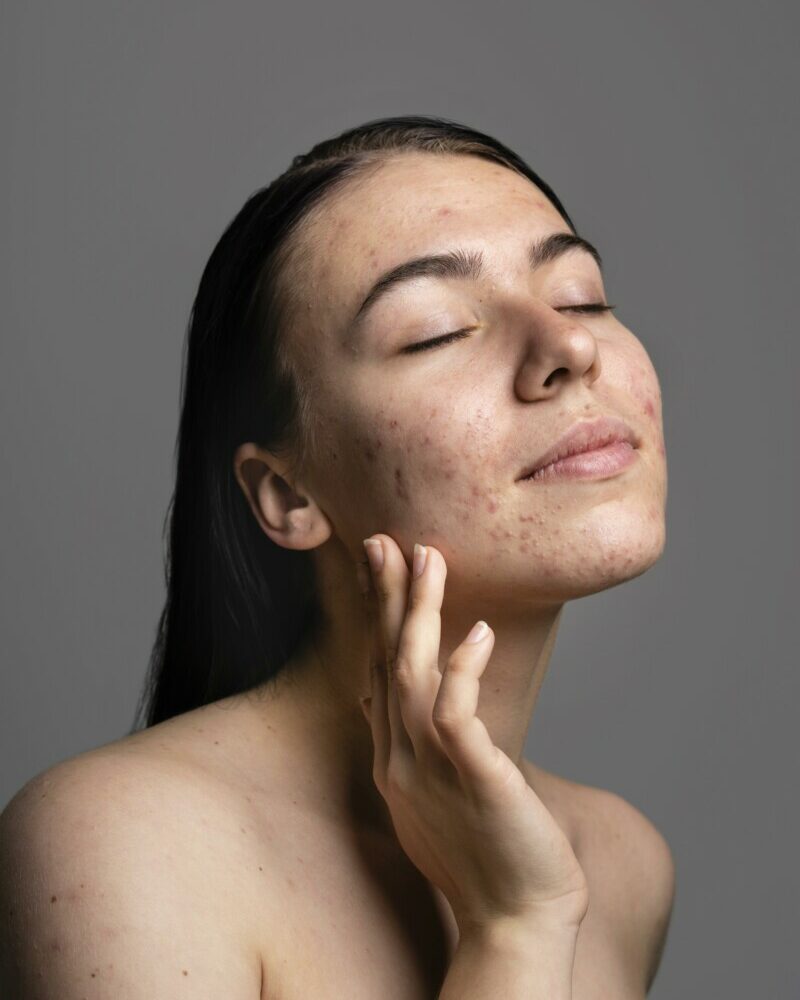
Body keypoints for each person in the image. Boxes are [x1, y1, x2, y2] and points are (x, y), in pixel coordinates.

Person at [0, 115, 675, 998]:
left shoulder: (623, 865)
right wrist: (517, 930)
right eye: (435, 330)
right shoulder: (120, 843)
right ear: (288, 495)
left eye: (580, 295)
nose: (570, 347)